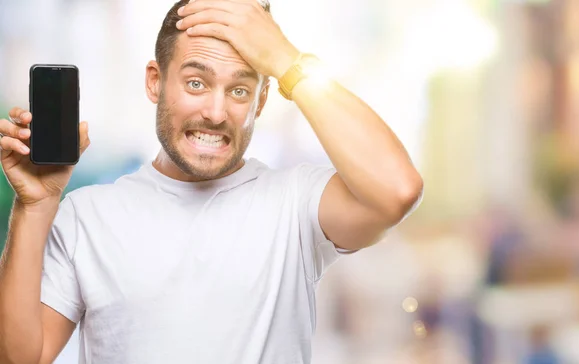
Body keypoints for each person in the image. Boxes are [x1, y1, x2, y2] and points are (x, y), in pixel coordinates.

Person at [0, 0, 423, 363]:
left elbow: (397, 190)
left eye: (240, 90)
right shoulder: (87, 216)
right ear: (155, 81)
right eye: (196, 82)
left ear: (261, 101)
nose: (216, 112)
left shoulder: (297, 204)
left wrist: (285, 58)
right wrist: (34, 207)